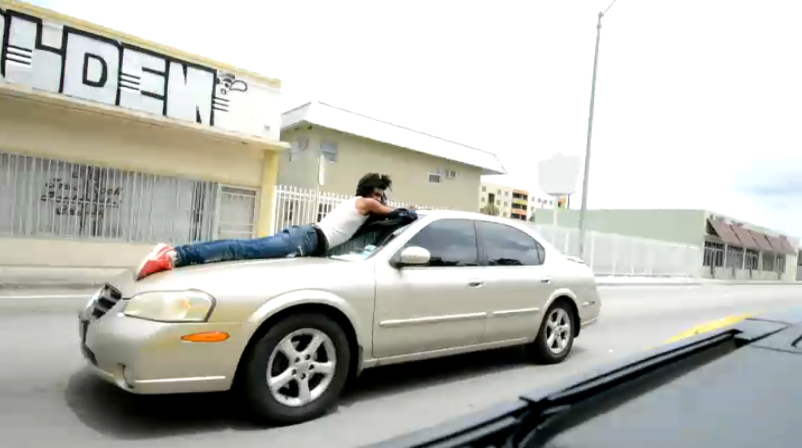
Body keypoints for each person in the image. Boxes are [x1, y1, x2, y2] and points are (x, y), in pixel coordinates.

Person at [135, 173, 396, 280]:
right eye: (379, 194)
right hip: (305, 239)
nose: (381, 199)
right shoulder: (366, 203)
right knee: (241, 249)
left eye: (382, 195)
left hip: (307, 240)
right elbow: (397, 212)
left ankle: (175, 255)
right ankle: (174, 255)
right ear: (369, 193)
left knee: (244, 255)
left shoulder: (361, 206)